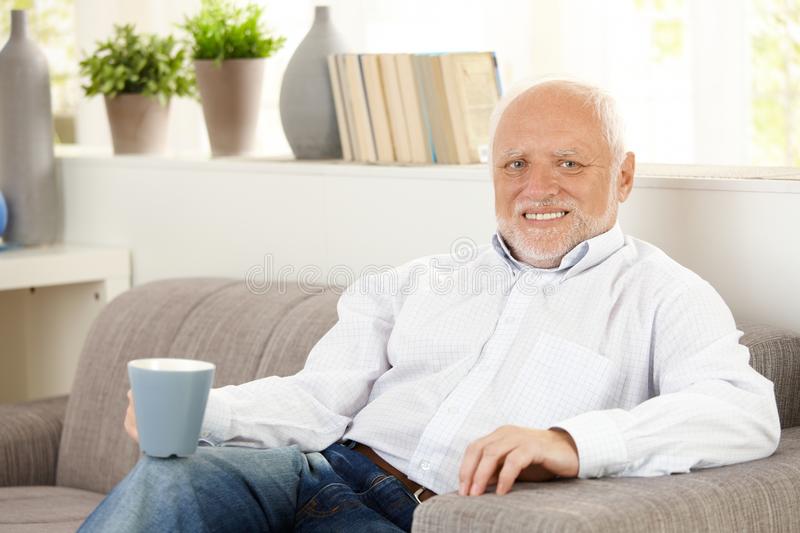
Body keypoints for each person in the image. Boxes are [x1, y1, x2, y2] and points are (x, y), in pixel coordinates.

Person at [79, 78, 780, 532]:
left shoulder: (663, 294)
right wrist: (207, 411)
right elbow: (319, 400)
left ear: (623, 175)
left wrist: (570, 442)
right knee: (173, 478)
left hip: (414, 518)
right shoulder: (420, 279)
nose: (538, 187)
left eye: (569, 163)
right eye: (515, 164)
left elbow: (743, 411)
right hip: (314, 466)